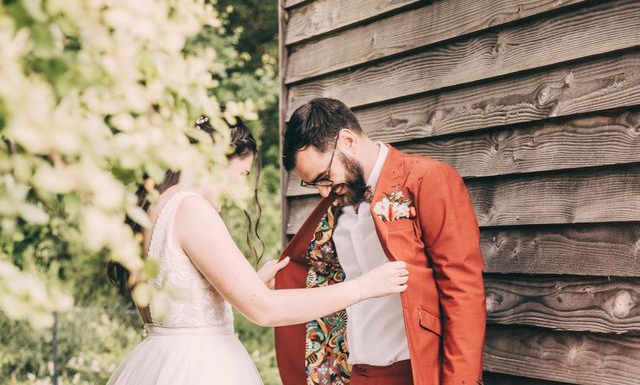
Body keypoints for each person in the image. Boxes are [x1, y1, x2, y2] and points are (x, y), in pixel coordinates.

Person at [106, 117, 409, 385]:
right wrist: (364, 286)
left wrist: (247, 283)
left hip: (161, 361)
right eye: (241, 175)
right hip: (200, 367)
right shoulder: (191, 208)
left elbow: (184, 296)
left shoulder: (155, 205)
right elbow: (264, 309)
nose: (239, 189)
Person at [275, 98, 486, 385]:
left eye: (325, 177)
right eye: (314, 185)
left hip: (413, 373)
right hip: (354, 375)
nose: (324, 193)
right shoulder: (333, 209)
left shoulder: (428, 180)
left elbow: (463, 292)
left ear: (347, 141)